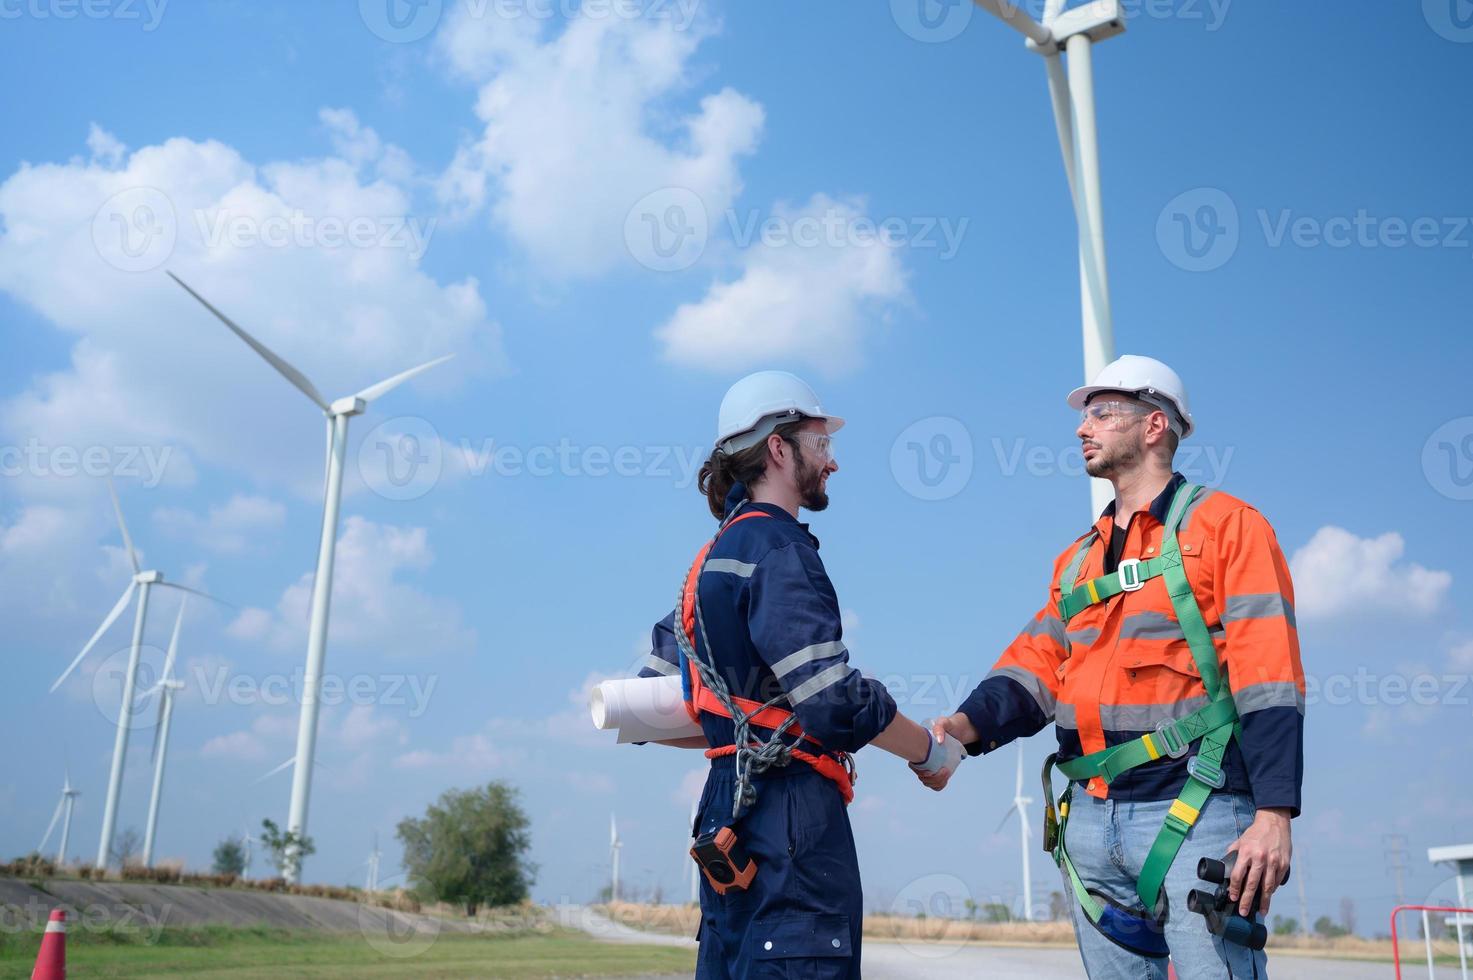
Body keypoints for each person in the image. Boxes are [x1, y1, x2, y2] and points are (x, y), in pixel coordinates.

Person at [921, 355, 1303, 978]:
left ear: (1154, 426)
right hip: (1090, 823)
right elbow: (1035, 666)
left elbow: (1270, 674)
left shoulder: (1230, 527)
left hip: (1196, 811)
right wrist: (963, 727)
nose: (1081, 428)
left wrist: (1275, 813)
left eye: (1101, 413)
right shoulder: (1076, 561)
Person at [638, 370, 962, 979]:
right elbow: (833, 703)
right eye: (822, 444)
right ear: (779, 449)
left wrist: (740, 731)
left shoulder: (705, 568)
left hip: (723, 813)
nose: (832, 462)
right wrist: (929, 754)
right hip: (789, 815)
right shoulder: (779, 551)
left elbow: (650, 710)